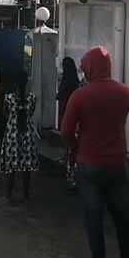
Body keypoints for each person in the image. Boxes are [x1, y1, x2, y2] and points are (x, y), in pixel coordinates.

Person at [61, 47, 129, 258]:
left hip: (90, 164)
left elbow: (66, 131)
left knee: (94, 216)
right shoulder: (125, 93)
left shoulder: (80, 96)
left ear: (89, 68)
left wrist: (76, 148)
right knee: (122, 214)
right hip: (118, 163)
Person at [0, 74, 39, 202]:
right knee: (26, 166)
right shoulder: (32, 98)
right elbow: (31, 113)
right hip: (27, 134)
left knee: (11, 165)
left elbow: (5, 114)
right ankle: (26, 195)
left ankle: (8, 194)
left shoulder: (9, 98)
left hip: (12, 134)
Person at [57, 57, 81, 190]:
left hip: (65, 109)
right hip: (70, 110)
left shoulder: (66, 80)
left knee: (66, 133)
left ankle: (67, 158)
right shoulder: (75, 80)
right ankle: (67, 156)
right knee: (69, 134)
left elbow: (61, 94)